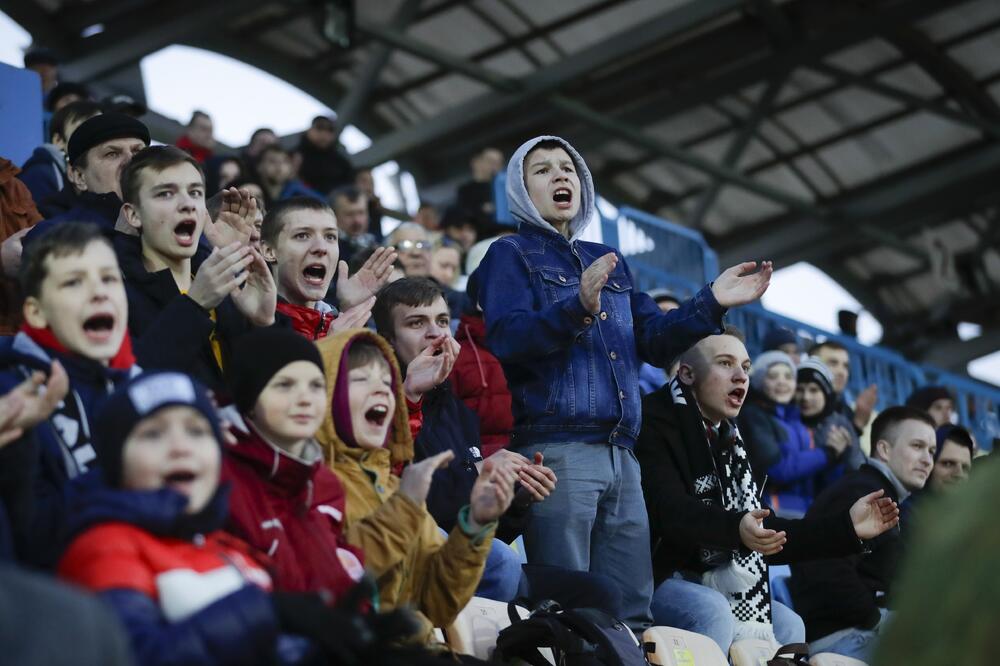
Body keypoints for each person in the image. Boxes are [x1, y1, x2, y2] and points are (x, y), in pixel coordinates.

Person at [475, 134, 772, 629]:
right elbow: (507, 338)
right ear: (521, 190)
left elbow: (654, 341)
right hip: (557, 451)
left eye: (568, 167)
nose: (560, 176)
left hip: (623, 456)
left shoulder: (608, 258)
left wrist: (711, 303)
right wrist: (576, 309)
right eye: (542, 170)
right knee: (568, 607)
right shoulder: (509, 254)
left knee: (631, 610)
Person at [57, 371, 359, 666]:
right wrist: (265, 612)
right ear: (116, 462)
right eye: (152, 434)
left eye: (197, 431)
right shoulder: (104, 545)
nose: (180, 447)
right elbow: (132, 653)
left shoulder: (227, 545)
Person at [635, 329, 899, 654]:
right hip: (654, 574)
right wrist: (737, 529)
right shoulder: (653, 420)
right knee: (711, 610)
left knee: (790, 625)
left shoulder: (730, 441)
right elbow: (671, 512)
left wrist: (848, 528)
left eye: (745, 367)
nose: (740, 377)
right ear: (687, 373)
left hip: (708, 574)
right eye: (725, 363)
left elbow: (766, 531)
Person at [315, 328, 516, 630]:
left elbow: (439, 607)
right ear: (326, 397)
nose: (382, 390)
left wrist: (474, 525)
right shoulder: (310, 486)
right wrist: (404, 507)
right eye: (361, 380)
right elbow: (335, 584)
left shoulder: (392, 484)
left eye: (386, 381)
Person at [373, 277, 554, 603]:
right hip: (393, 548)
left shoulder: (455, 410)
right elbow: (405, 497)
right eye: (416, 323)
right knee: (501, 561)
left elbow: (481, 526)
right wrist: (478, 472)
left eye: (442, 321)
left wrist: (515, 497)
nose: (435, 333)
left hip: (456, 553)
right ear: (387, 339)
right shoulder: (374, 398)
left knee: (596, 592)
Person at [0, 222, 137, 566]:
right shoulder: (12, 392)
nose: (99, 293)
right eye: (74, 282)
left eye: (109, 278)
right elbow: (32, 540)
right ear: (35, 311)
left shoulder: (147, 388)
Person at [117, 145, 275, 395]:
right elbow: (130, 387)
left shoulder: (227, 287)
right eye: (165, 194)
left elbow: (262, 395)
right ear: (133, 214)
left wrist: (261, 324)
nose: (187, 204)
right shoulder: (116, 296)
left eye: (195, 192)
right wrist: (194, 306)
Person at [223, 327, 366, 597]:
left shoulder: (325, 483)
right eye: (284, 385)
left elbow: (336, 574)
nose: (305, 399)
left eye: (316, 386)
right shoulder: (223, 477)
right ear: (250, 399)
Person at [790, 406, 936, 661]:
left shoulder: (878, 491)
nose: (927, 459)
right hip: (841, 637)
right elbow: (823, 566)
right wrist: (876, 618)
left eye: (932, 451)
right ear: (884, 450)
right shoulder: (863, 493)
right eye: (917, 446)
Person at [260, 197, 396, 340]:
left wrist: (349, 309)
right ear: (269, 251)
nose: (321, 248)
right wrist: (331, 347)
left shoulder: (337, 320)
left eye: (330, 237)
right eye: (302, 235)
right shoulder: (248, 323)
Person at [20, 113, 150, 249]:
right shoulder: (53, 237)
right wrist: (125, 240)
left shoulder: (169, 226)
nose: (130, 161)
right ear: (79, 177)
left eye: (138, 151)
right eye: (112, 154)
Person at [453, 271, 512, 458]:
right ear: (480, 301)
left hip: (532, 463)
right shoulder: (455, 356)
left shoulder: (534, 347)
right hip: (478, 470)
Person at [19, 99, 102, 207]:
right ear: (58, 140)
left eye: (101, 128)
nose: (96, 135)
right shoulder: (39, 175)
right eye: (83, 128)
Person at [736, 350, 801, 479]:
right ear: (759, 382)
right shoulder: (752, 415)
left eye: (788, 376)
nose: (782, 382)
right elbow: (776, 469)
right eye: (773, 376)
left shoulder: (794, 415)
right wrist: (826, 453)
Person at [810, 340, 877, 436]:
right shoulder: (799, 403)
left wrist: (858, 424)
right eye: (833, 363)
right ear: (812, 364)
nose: (842, 372)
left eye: (845, 366)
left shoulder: (846, 411)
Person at [292, 115, 353, 196]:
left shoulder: (342, 163)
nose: (324, 134)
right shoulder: (295, 155)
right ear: (310, 130)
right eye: (319, 128)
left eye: (330, 130)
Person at [257, 145, 323, 208]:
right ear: (259, 167)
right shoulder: (253, 194)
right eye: (272, 161)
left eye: (284, 161)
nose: (279, 166)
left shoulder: (302, 194)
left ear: (290, 167)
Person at [329, 185, 376, 266]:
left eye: (361, 213)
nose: (357, 220)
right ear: (334, 216)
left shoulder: (373, 243)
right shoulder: (330, 248)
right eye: (349, 214)